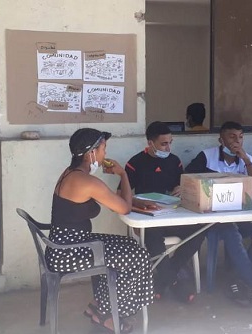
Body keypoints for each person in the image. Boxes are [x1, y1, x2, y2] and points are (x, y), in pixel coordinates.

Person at [47, 128, 153, 333]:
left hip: (67, 244)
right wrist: (122, 174)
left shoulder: (71, 173)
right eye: (104, 148)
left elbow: (113, 199)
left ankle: (100, 307)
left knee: (129, 244)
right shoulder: (86, 181)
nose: (105, 154)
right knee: (137, 256)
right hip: (69, 251)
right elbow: (125, 208)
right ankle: (111, 316)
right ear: (91, 153)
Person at [185, 121, 252, 310]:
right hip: (216, 218)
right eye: (232, 137)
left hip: (243, 215)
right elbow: (188, 178)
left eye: (240, 137)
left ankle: (238, 278)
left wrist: (245, 160)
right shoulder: (207, 156)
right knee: (232, 233)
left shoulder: (247, 158)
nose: (237, 141)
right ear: (221, 139)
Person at [124, 121, 205, 303]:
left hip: (172, 215)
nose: (168, 147)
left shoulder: (174, 161)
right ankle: (175, 281)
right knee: (153, 237)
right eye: (163, 144)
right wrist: (140, 201)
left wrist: (180, 188)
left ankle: (165, 278)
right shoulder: (135, 163)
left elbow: (181, 186)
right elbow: (122, 194)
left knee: (202, 228)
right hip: (149, 218)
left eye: (170, 143)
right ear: (150, 143)